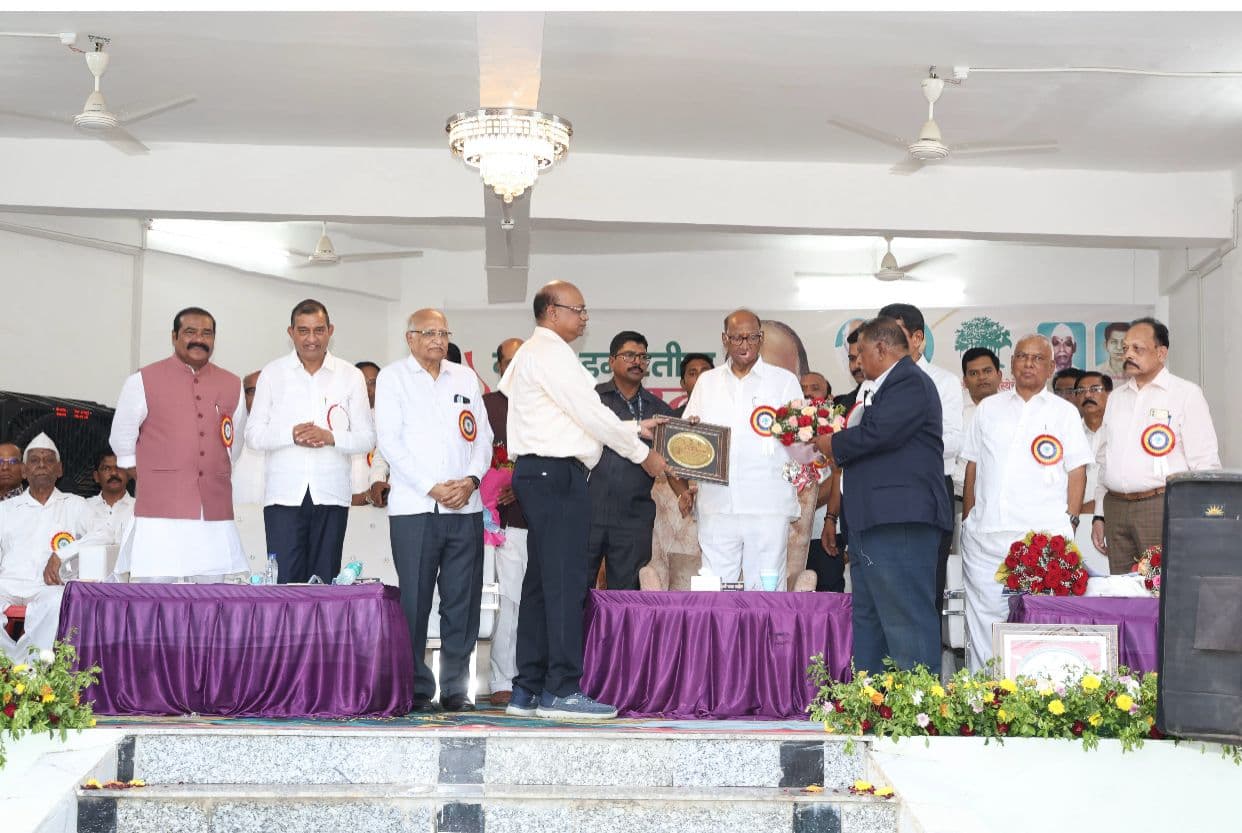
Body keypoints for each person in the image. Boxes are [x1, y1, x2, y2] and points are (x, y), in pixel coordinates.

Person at [499, 280, 666, 720]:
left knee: (540, 584)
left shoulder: (537, 353)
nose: (584, 318)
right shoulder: (551, 353)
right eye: (579, 309)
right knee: (566, 584)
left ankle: (527, 688)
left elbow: (575, 418)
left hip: (542, 473)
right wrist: (642, 453)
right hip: (556, 475)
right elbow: (590, 414)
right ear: (552, 312)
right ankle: (562, 689)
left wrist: (634, 429)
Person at [812, 318, 950, 674]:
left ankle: (917, 709)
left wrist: (831, 443)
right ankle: (874, 703)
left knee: (906, 616)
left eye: (860, 355)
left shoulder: (909, 383)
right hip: (871, 521)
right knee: (870, 617)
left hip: (899, 520)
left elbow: (878, 435)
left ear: (881, 349)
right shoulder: (881, 388)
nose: (856, 363)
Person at [377, 308, 492, 712]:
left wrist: (471, 481)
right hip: (415, 508)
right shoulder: (392, 378)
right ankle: (416, 688)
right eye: (428, 333)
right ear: (410, 337)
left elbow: (483, 437)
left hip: (465, 508)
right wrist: (433, 487)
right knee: (415, 601)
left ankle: (458, 689)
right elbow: (390, 441)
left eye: (443, 333)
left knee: (462, 600)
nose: (437, 340)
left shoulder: (463, 377)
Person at [960, 335, 1091, 671]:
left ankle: (1035, 697)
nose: (1029, 363)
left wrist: (1071, 521)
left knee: (1038, 622)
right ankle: (984, 698)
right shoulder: (987, 409)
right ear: (1012, 363)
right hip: (986, 535)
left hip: (1041, 539)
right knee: (984, 621)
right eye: (1022, 356)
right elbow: (973, 467)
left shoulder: (1064, 413)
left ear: (1050, 367)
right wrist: (969, 520)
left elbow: (1077, 472)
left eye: (1037, 358)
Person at [110, 306, 249, 582]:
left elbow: (235, 440)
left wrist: (213, 470)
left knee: (211, 593)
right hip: (160, 511)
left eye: (206, 333)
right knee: (155, 591)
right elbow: (121, 435)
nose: (199, 339)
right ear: (174, 337)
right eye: (190, 332)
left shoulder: (232, 383)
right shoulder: (143, 379)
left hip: (212, 508)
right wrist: (142, 472)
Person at [245, 299, 374, 584]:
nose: (311, 339)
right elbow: (252, 435)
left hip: (331, 495)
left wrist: (330, 437)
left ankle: (321, 631)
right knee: (284, 583)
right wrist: (290, 435)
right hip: (283, 497)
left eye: (318, 330)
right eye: (303, 331)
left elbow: (367, 437)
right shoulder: (272, 374)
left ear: (330, 331)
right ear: (291, 333)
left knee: (325, 583)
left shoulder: (350, 376)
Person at [680, 309, 802, 589]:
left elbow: (800, 443)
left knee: (767, 589)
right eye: (737, 338)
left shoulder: (784, 382)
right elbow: (688, 440)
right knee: (714, 589)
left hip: (768, 503)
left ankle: (767, 636)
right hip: (717, 503)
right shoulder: (707, 382)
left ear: (761, 339)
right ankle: (718, 636)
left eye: (752, 337)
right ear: (725, 339)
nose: (744, 344)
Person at [1091, 317, 1220, 574]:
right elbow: (1104, 460)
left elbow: (1204, 463)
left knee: (1162, 593)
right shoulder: (1115, 398)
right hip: (1116, 509)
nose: (1128, 354)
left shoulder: (1186, 394)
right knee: (1124, 594)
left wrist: (1198, 518)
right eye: (1125, 348)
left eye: (1137, 349)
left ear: (1161, 353)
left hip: (1161, 506)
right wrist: (1099, 514)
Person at [878, 303, 962, 613]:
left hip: (927, 492)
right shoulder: (873, 385)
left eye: (894, 334)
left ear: (918, 338)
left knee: (925, 591)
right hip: (883, 497)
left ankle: (925, 662)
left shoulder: (944, 381)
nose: (884, 344)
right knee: (887, 594)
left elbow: (953, 441)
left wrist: (896, 443)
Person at [0, 435, 107, 660]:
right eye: (34, 460)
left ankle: (32, 673)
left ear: (59, 470)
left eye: (48, 460)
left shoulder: (76, 504)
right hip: (7, 584)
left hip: (47, 588)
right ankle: (13, 666)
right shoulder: (6, 509)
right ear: (24, 471)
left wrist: (62, 554)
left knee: (60, 600)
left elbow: (105, 534)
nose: (41, 465)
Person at [588, 331, 674, 591]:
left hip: (633, 517)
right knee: (574, 591)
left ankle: (621, 635)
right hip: (587, 510)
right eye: (629, 355)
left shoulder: (660, 411)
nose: (637, 361)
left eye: (642, 357)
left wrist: (685, 491)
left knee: (626, 599)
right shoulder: (593, 400)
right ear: (611, 361)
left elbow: (671, 462)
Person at [483, 336, 526, 708]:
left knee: (537, 603)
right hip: (501, 523)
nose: (514, 367)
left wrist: (524, 486)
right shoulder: (486, 407)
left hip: (543, 520)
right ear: (497, 366)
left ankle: (534, 676)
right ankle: (503, 677)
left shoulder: (547, 404)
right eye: (507, 361)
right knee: (508, 603)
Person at [954, 348, 1002, 499]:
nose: (981, 377)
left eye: (987, 371)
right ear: (965, 381)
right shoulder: (952, 409)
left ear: (999, 376)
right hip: (959, 497)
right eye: (974, 373)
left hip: (1003, 501)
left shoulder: (1015, 410)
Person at [350, 360, 390, 506]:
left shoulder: (389, 421)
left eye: (373, 382)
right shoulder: (338, 421)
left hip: (378, 505)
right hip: (344, 507)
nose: (367, 388)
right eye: (362, 382)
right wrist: (362, 497)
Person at [1075, 371, 1112, 514]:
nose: (1087, 395)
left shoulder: (1121, 431)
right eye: (1081, 391)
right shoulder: (1068, 433)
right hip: (1074, 517)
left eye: (1095, 389)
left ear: (1109, 394)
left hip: (1112, 515)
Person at [231, 370, 266, 506]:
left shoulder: (291, 435)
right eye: (252, 391)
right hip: (239, 517)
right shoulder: (231, 434)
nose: (259, 397)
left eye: (265, 390)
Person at [85, 448, 135, 544]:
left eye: (119, 467)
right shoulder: (84, 507)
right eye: (106, 468)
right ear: (96, 476)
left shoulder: (140, 509)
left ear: (129, 474)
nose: (114, 473)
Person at [833, 326, 865, 410]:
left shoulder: (894, 394)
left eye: (863, 357)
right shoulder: (844, 405)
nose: (856, 365)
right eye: (852, 358)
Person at [672, 353, 714, 418]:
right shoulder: (673, 418)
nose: (699, 377)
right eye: (692, 374)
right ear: (683, 383)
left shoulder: (726, 413)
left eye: (705, 373)